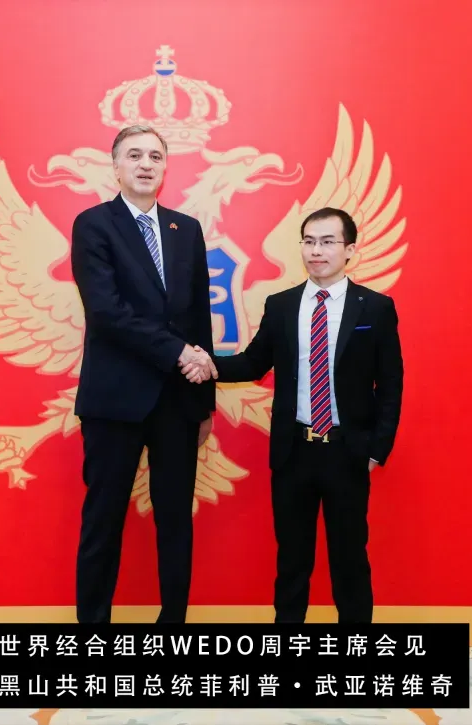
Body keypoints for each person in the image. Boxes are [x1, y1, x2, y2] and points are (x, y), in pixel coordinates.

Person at [182, 207, 403, 623]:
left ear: (350, 249)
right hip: (293, 452)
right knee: (292, 562)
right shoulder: (282, 305)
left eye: (328, 242)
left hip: (347, 452)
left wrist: (377, 449)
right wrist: (206, 363)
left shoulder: (374, 308)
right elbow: (252, 363)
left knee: (350, 560)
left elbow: (390, 384)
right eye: (309, 241)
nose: (316, 251)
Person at [71, 124, 217, 624]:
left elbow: (199, 318)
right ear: (116, 166)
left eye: (155, 156)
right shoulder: (94, 225)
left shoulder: (185, 229)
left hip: (178, 401)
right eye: (134, 155)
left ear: (166, 167)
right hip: (115, 400)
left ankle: (173, 626)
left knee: (176, 520)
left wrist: (204, 401)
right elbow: (106, 313)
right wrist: (177, 352)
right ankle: (93, 633)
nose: (146, 164)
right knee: (103, 520)